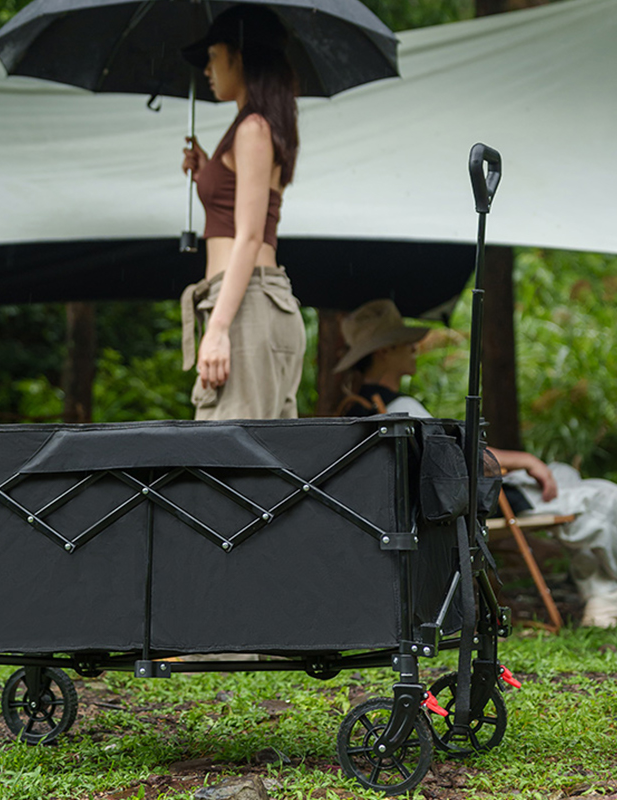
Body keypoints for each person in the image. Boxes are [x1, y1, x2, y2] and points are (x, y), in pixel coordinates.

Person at [336, 298, 617, 628]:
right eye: (406, 344)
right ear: (384, 351)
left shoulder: (358, 409)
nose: (415, 349)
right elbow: (455, 459)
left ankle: (600, 595)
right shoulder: (400, 407)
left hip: (441, 504)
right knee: (603, 496)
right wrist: (524, 460)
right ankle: (605, 600)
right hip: (478, 503)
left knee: (565, 474)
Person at [179, 4, 306, 420]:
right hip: (256, 301)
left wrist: (217, 329)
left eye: (213, 56)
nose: (207, 69)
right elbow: (243, 205)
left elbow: (249, 236)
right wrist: (207, 173)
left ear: (239, 56)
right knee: (261, 454)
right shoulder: (259, 126)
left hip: (246, 302)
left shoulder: (253, 128)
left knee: (227, 453)